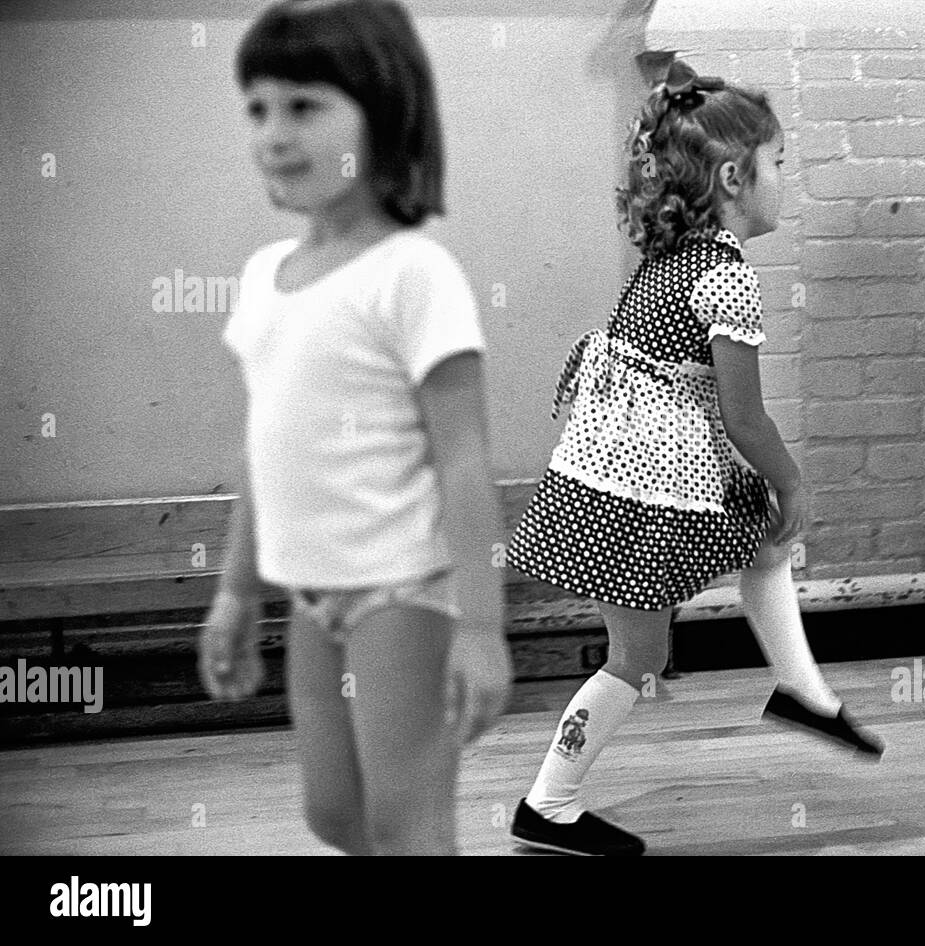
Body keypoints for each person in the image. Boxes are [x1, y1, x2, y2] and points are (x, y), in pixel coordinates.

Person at [504, 60, 884, 857]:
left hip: (607, 484)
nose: (786, 179)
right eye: (780, 163)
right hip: (638, 499)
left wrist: (769, 490)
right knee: (638, 660)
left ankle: (802, 691)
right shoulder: (726, 276)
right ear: (734, 176)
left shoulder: (670, 262)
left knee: (759, 537)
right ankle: (549, 803)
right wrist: (792, 478)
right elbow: (744, 418)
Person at [198, 0, 511, 854]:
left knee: (409, 825)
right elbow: (265, 451)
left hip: (403, 589)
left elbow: (463, 458)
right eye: (257, 108)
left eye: (304, 106)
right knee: (333, 815)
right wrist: (233, 592)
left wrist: (481, 629)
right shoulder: (266, 276)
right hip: (308, 592)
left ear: (386, 113)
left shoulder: (416, 274)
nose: (273, 132)